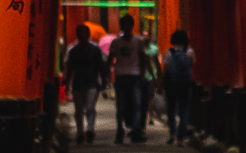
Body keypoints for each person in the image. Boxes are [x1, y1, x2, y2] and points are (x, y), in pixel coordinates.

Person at [107, 12, 151, 144]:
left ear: (132, 26)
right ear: (121, 26)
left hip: (135, 75)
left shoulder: (138, 41)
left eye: (128, 24)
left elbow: (143, 58)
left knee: (137, 103)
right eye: (123, 24)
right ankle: (120, 129)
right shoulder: (116, 42)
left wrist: (143, 74)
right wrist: (108, 75)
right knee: (121, 105)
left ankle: (136, 130)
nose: (126, 27)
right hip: (120, 75)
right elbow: (110, 59)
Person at [64, 23, 107, 145]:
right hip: (78, 83)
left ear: (88, 35)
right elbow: (70, 68)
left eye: (85, 33)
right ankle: (80, 132)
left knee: (90, 107)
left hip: (92, 82)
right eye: (81, 33)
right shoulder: (73, 51)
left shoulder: (95, 50)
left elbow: (100, 66)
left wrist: (103, 80)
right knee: (78, 109)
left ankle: (90, 129)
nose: (83, 35)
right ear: (77, 35)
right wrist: (67, 84)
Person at [161, 28, 196, 145]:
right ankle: (181, 136)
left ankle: (172, 133)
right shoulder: (189, 51)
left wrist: (162, 82)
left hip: (172, 84)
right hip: (185, 84)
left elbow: (166, 69)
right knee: (184, 110)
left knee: (171, 109)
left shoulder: (169, 52)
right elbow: (192, 66)